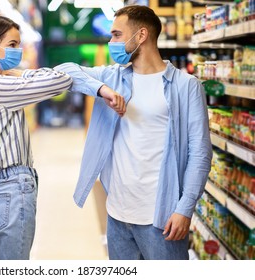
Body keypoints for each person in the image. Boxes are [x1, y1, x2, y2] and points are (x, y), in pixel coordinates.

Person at [54, 5, 212, 260]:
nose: (111, 42)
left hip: (162, 218)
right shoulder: (112, 77)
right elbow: (63, 71)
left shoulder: (186, 86)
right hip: (117, 215)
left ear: (141, 35)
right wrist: (102, 90)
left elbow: (200, 153)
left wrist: (185, 208)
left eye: (116, 35)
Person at [0, 14, 125, 260]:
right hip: (11, 188)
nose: (18, 51)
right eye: (12, 45)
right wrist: (97, 86)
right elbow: (61, 78)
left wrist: (21, 75)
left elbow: (34, 77)